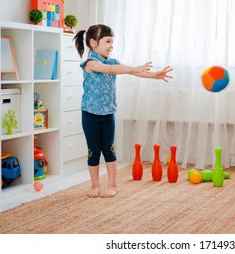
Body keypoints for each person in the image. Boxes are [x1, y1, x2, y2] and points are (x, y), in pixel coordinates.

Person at [74, 24, 173, 198]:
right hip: (90, 114)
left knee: (109, 149)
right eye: (108, 41)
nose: (111, 45)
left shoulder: (113, 62)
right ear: (93, 42)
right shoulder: (90, 63)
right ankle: (95, 186)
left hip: (107, 114)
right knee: (93, 150)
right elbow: (113, 70)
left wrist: (154, 75)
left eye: (112, 42)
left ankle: (112, 185)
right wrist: (135, 68)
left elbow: (131, 72)